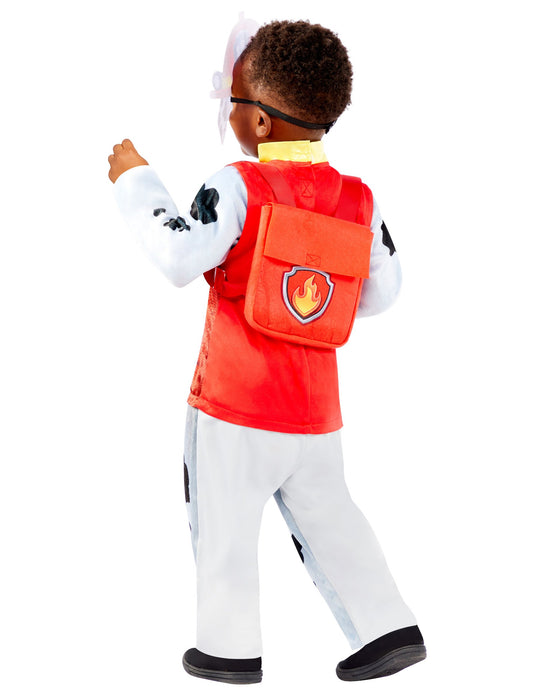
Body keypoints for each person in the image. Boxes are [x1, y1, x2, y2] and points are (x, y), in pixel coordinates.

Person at [108, 19, 426, 685]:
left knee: (223, 527)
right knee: (333, 517)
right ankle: (387, 628)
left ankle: (228, 649)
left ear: (256, 121)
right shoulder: (358, 198)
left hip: (235, 403)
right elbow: (382, 292)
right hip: (316, 412)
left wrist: (138, 182)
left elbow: (179, 255)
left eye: (230, 99)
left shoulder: (237, 185)